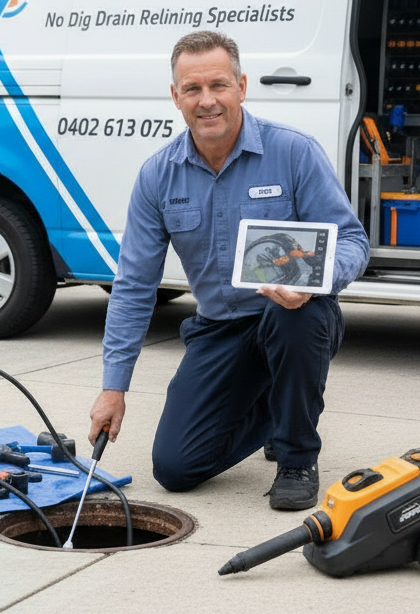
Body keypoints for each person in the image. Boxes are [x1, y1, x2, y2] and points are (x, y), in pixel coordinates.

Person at [88, 30, 370, 510]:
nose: (207, 101)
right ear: (175, 95)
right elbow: (134, 285)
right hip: (219, 330)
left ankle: (297, 456)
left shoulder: (294, 152)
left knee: (294, 318)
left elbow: (352, 241)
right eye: (193, 89)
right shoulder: (158, 176)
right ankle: (278, 409)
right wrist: (113, 389)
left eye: (218, 85)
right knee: (175, 468)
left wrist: (314, 280)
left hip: (296, 316)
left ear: (241, 86)